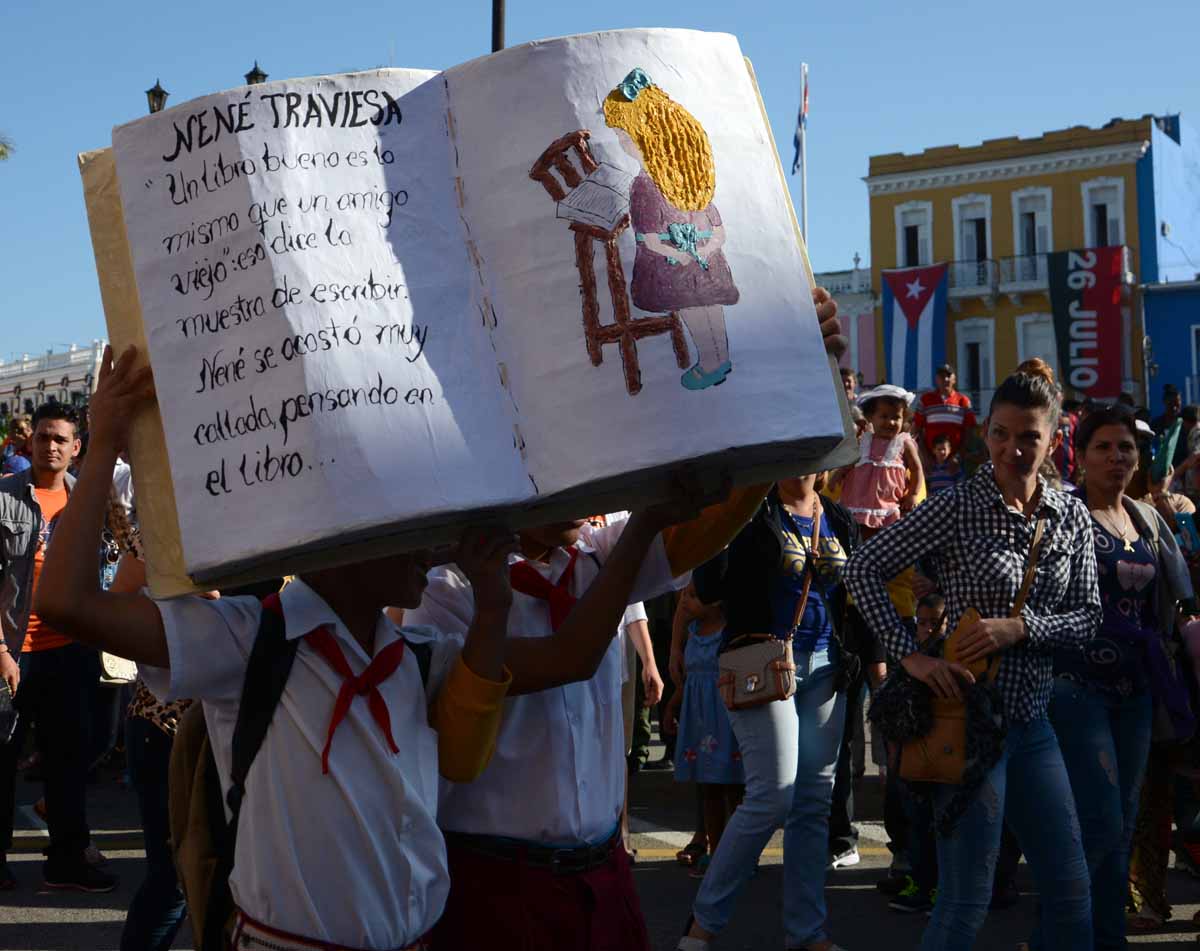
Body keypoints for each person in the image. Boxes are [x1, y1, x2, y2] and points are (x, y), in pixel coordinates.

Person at [38, 346, 702, 950]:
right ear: (350, 534)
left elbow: (570, 657)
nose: (434, 545)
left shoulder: (418, 653)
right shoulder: (247, 640)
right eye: (415, 526)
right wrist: (105, 446)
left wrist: (625, 535)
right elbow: (68, 603)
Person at [844, 358, 1101, 951]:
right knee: (964, 904)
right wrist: (912, 657)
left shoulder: (1071, 516)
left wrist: (1021, 628)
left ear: (1054, 438)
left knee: (1071, 892)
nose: (1013, 448)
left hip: (1034, 729)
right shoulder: (959, 503)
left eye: (1029, 436)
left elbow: (1089, 618)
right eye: (1001, 433)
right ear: (985, 432)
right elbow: (863, 568)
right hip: (966, 728)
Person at [677, 473, 861, 951]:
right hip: (760, 663)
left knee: (813, 804)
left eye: (811, 455)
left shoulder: (836, 515)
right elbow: (707, 581)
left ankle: (806, 934)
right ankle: (701, 926)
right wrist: (737, 504)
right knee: (772, 796)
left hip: (827, 668)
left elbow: (854, 593)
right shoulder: (753, 510)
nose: (801, 464)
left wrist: (872, 655)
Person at [1045, 404, 1194, 950]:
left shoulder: (1145, 518)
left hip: (1137, 693)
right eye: (1103, 447)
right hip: (1075, 687)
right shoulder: (1064, 513)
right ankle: (1071, 937)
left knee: (1122, 824)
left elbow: (1174, 600)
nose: (1116, 457)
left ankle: (1095, 938)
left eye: (1125, 447)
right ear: (1081, 457)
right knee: (1102, 824)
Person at [0, 402, 115, 892]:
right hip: (12, 652)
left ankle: (67, 860)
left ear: (75, 447)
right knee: (1, 760)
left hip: (69, 650)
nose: (50, 445)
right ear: (31, 443)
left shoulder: (87, 501)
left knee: (67, 761)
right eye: (43, 437)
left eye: (60, 439)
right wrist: (1, 651)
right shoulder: (4, 498)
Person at [603, 68, 739, 391]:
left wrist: (676, 254)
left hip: (674, 265)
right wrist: (705, 250)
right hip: (707, 260)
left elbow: (648, 237)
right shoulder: (693, 176)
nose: (621, 144)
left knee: (694, 307)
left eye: (624, 137)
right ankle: (721, 357)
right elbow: (717, 229)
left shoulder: (644, 187)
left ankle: (709, 362)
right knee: (710, 306)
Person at [662, 583, 743, 878]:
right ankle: (716, 850)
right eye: (685, 594)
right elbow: (689, 681)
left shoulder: (730, 633)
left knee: (733, 789)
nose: (685, 600)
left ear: (716, 602)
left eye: (694, 595)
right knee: (708, 788)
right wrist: (672, 706)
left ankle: (738, 854)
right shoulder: (693, 634)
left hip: (725, 722)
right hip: (700, 723)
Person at [838, 385, 925, 536]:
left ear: (903, 418)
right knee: (858, 537)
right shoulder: (863, 440)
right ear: (870, 417)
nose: (890, 422)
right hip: (858, 503)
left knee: (886, 539)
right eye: (884, 416)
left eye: (896, 417)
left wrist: (913, 494)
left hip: (888, 506)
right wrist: (837, 475)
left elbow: (917, 469)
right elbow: (851, 462)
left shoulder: (903, 442)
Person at [911, 364, 977, 463]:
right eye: (942, 376)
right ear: (937, 379)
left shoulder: (964, 401)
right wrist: (924, 456)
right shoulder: (925, 400)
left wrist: (958, 457)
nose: (945, 379)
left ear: (954, 379)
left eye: (948, 376)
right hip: (930, 462)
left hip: (955, 463)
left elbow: (969, 432)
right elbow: (917, 430)